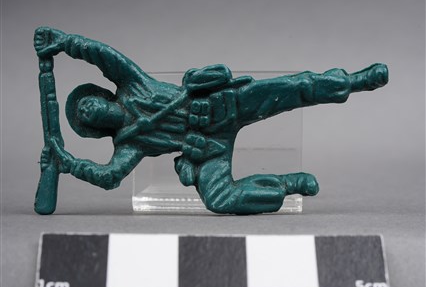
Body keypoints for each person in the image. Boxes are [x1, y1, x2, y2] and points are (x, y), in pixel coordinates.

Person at [35, 27, 388, 214]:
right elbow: (109, 177)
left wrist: (64, 42)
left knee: (292, 88)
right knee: (220, 200)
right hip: (206, 149)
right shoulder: (129, 144)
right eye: (84, 116)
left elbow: (101, 55)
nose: (88, 110)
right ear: (95, 130)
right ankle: (284, 185)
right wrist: (69, 164)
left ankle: (354, 81)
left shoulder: (132, 85)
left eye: (87, 103)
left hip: (219, 105)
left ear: (101, 94)